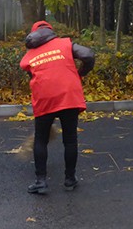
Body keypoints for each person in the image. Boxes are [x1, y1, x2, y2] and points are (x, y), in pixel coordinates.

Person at [19, 21, 95, 195]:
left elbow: (32, 74)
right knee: (70, 139)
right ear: (50, 32)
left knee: (40, 140)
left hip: (44, 97)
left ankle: (40, 181)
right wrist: (80, 73)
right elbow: (88, 54)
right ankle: (70, 179)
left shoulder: (29, 56)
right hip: (69, 94)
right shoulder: (65, 44)